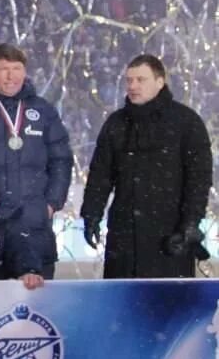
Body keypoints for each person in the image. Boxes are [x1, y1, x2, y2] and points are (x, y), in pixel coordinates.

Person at [81, 54, 214, 278]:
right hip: (124, 235)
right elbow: (100, 174)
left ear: (159, 82)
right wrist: (91, 214)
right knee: (123, 307)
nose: (133, 86)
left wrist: (191, 222)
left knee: (168, 308)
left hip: (171, 235)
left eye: (140, 80)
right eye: (129, 80)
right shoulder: (116, 123)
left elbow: (198, 179)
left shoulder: (187, 122)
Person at [0, 44, 72, 278]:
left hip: (34, 223)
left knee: (38, 303)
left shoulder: (43, 110)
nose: (11, 75)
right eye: (4, 68)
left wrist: (51, 203)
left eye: (17, 68)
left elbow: (61, 160)